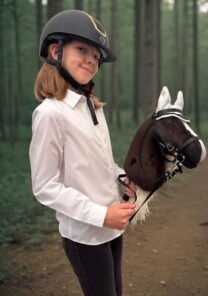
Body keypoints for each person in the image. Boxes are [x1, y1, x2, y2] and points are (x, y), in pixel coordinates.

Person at [29, 10, 136, 296]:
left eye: (97, 56)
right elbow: (44, 187)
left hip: (112, 227)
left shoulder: (94, 108)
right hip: (85, 235)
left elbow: (104, 161)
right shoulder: (50, 114)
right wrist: (101, 215)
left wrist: (124, 177)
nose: (92, 59)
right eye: (82, 49)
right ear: (55, 50)